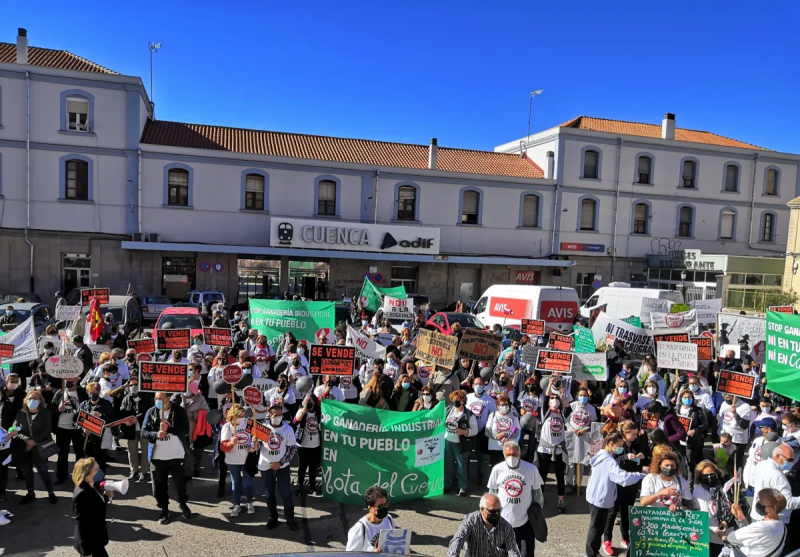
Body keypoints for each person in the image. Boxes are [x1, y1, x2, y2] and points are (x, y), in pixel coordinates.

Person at [585, 432, 646, 557]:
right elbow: (622, 478)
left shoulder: (602, 456)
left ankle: (593, 551)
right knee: (596, 527)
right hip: (600, 497)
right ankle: (591, 553)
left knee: (597, 526)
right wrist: (639, 475)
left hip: (596, 495)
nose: (621, 449)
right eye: (619, 446)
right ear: (611, 444)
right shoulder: (608, 461)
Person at [142, 391, 192, 524]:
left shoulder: (179, 411)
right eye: (156, 398)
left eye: (160, 399)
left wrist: (169, 430)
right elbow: (143, 431)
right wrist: (156, 434)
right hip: (157, 457)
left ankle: (183, 503)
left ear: (168, 399)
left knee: (180, 484)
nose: (157, 401)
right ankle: (164, 509)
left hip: (176, 456)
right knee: (158, 487)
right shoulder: (151, 412)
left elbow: (185, 430)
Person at [487, 441, 544, 557]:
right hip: (503, 522)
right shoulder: (497, 469)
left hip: (525, 523)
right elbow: (492, 495)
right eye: (508, 455)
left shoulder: (531, 469)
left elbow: (538, 495)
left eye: (514, 454)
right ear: (503, 454)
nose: (511, 457)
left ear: (520, 453)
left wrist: (536, 515)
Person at [602, 421, 646, 554]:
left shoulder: (637, 444)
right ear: (624, 434)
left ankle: (625, 537)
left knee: (627, 512)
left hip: (631, 484)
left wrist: (640, 459)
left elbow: (642, 462)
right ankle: (607, 540)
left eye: (636, 433)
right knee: (612, 512)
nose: (634, 436)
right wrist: (625, 457)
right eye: (632, 434)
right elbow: (612, 461)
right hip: (617, 484)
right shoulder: (618, 446)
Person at [9, 390, 57, 504]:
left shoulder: (44, 413)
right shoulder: (21, 413)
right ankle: (30, 493)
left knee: (43, 470)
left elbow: (47, 430)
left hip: (39, 447)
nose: (32, 401)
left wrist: (34, 441)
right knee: (27, 472)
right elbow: (14, 429)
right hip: (24, 448)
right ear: (26, 400)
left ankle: (51, 492)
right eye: (30, 399)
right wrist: (26, 440)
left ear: (40, 401)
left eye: (35, 399)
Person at [258, 403, 298, 530]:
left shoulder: (287, 429)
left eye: (280, 414)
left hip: (282, 467)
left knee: (286, 494)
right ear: (269, 415)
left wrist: (280, 463)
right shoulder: (263, 428)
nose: (277, 417)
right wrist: (254, 443)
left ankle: (290, 518)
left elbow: (292, 449)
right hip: (265, 466)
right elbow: (256, 448)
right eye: (275, 414)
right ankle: (272, 517)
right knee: (269, 495)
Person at [447, 492, 521, 557]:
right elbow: (458, 539)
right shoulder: (470, 521)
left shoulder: (506, 527)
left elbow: (513, 552)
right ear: (482, 509)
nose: (497, 514)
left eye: (499, 510)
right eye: (493, 511)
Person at [723, 488, 787, 557]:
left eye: (762, 502)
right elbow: (753, 536)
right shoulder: (782, 526)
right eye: (758, 500)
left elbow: (732, 538)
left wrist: (724, 536)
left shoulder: (762, 527)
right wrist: (741, 518)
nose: (759, 503)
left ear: (773, 508)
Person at [538, 382, 570, 513]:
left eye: (556, 398)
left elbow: (569, 409)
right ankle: (539, 499)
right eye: (552, 398)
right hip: (545, 448)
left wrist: (563, 397)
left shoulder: (562, 414)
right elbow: (545, 399)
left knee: (560, 475)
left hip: (558, 449)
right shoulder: (546, 412)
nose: (554, 400)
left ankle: (561, 500)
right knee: (542, 474)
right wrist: (551, 382)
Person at [692, 460, 735, 557]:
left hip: (730, 533)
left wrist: (727, 522)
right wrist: (718, 531)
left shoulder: (726, 486)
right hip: (712, 536)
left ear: (717, 473)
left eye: (711, 474)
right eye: (705, 475)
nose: (709, 477)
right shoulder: (699, 490)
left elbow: (734, 504)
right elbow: (704, 512)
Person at [72, 457, 113, 557]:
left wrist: (106, 498)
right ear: (86, 475)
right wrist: (86, 552)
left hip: (95, 541)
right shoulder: (82, 494)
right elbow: (81, 523)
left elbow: (93, 507)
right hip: (91, 545)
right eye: (96, 469)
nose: (100, 471)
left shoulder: (89, 485)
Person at [750, 441, 800, 523]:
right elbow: (787, 503)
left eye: (793, 460)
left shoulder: (761, 464)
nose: (791, 463)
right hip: (773, 521)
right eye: (789, 460)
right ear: (777, 456)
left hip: (757, 515)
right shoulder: (777, 476)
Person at [50, 376, 87, 485]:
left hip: (77, 428)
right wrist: (58, 410)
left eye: (71, 380)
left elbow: (87, 408)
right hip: (62, 428)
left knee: (80, 453)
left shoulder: (82, 392)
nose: (68, 382)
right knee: (62, 454)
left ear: (77, 380)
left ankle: (80, 477)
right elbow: (51, 410)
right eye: (66, 380)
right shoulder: (59, 393)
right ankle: (61, 476)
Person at [220, 404, 256, 516]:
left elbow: (258, 440)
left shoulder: (249, 423)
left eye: (243, 415)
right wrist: (231, 443)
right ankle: (237, 505)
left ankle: (249, 502)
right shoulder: (226, 427)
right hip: (232, 460)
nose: (242, 417)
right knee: (236, 483)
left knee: (248, 483)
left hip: (247, 460)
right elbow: (223, 446)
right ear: (232, 416)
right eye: (239, 415)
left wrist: (254, 445)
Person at [118, 376, 153, 482]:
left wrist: (137, 418)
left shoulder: (147, 397)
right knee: (131, 451)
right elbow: (122, 412)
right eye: (131, 385)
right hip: (130, 430)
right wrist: (126, 421)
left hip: (144, 428)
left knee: (145, 451)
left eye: (136, 384)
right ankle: (134, 471)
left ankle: (144, 471)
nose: (133, 387)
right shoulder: (126, 398)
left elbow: (150, 412)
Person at [445, 390, 478, 496]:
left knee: (461, 466)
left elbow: (475, 430)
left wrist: (464, 432)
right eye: (453, 400)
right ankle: (447, 485)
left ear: (463, 400)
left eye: (457, 400)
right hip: (448, 441)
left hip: (461, 443)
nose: (455, 402)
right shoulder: (448, 410)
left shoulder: (469, 414)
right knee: (448, 466)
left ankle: (462, 487)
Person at [346, 485, 396, 552]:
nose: (385, 508)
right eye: (380, 506)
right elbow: (350, 555)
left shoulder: (389, 519)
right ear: (370, 508)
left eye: (386, 504)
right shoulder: (359, 529)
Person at [468, 377, 497, 480]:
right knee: (467, 454)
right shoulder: (468, 398)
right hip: (470, 430)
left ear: (484, 386)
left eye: (480, 384)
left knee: (481, 455)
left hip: (482, 431)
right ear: (472, 386)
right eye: (476, 384)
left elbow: (495, 415)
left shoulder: (489, 400)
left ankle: (481, 476)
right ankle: (466, 476)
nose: (478, 386)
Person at [294, 394, 322, 497]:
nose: (310, 403)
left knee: (313, 468)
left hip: (315, 445)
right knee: (302, 467)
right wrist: (304, 409)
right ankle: (299, 486)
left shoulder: (319, 413)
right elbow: (295, 421)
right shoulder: (302, 411)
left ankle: (312, 486)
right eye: (307, 401)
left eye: (311, 401)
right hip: (303, 445)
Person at [486, 395, 521, 465]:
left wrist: (504, 434)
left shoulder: (513, 416)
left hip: (509, 449)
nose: (504, 407)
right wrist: (496, 437)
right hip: (495, 448)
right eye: (502, 405)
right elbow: (487, 432)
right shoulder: (493, 415)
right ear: (497, 406)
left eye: (506, 404)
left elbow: (517, 432)